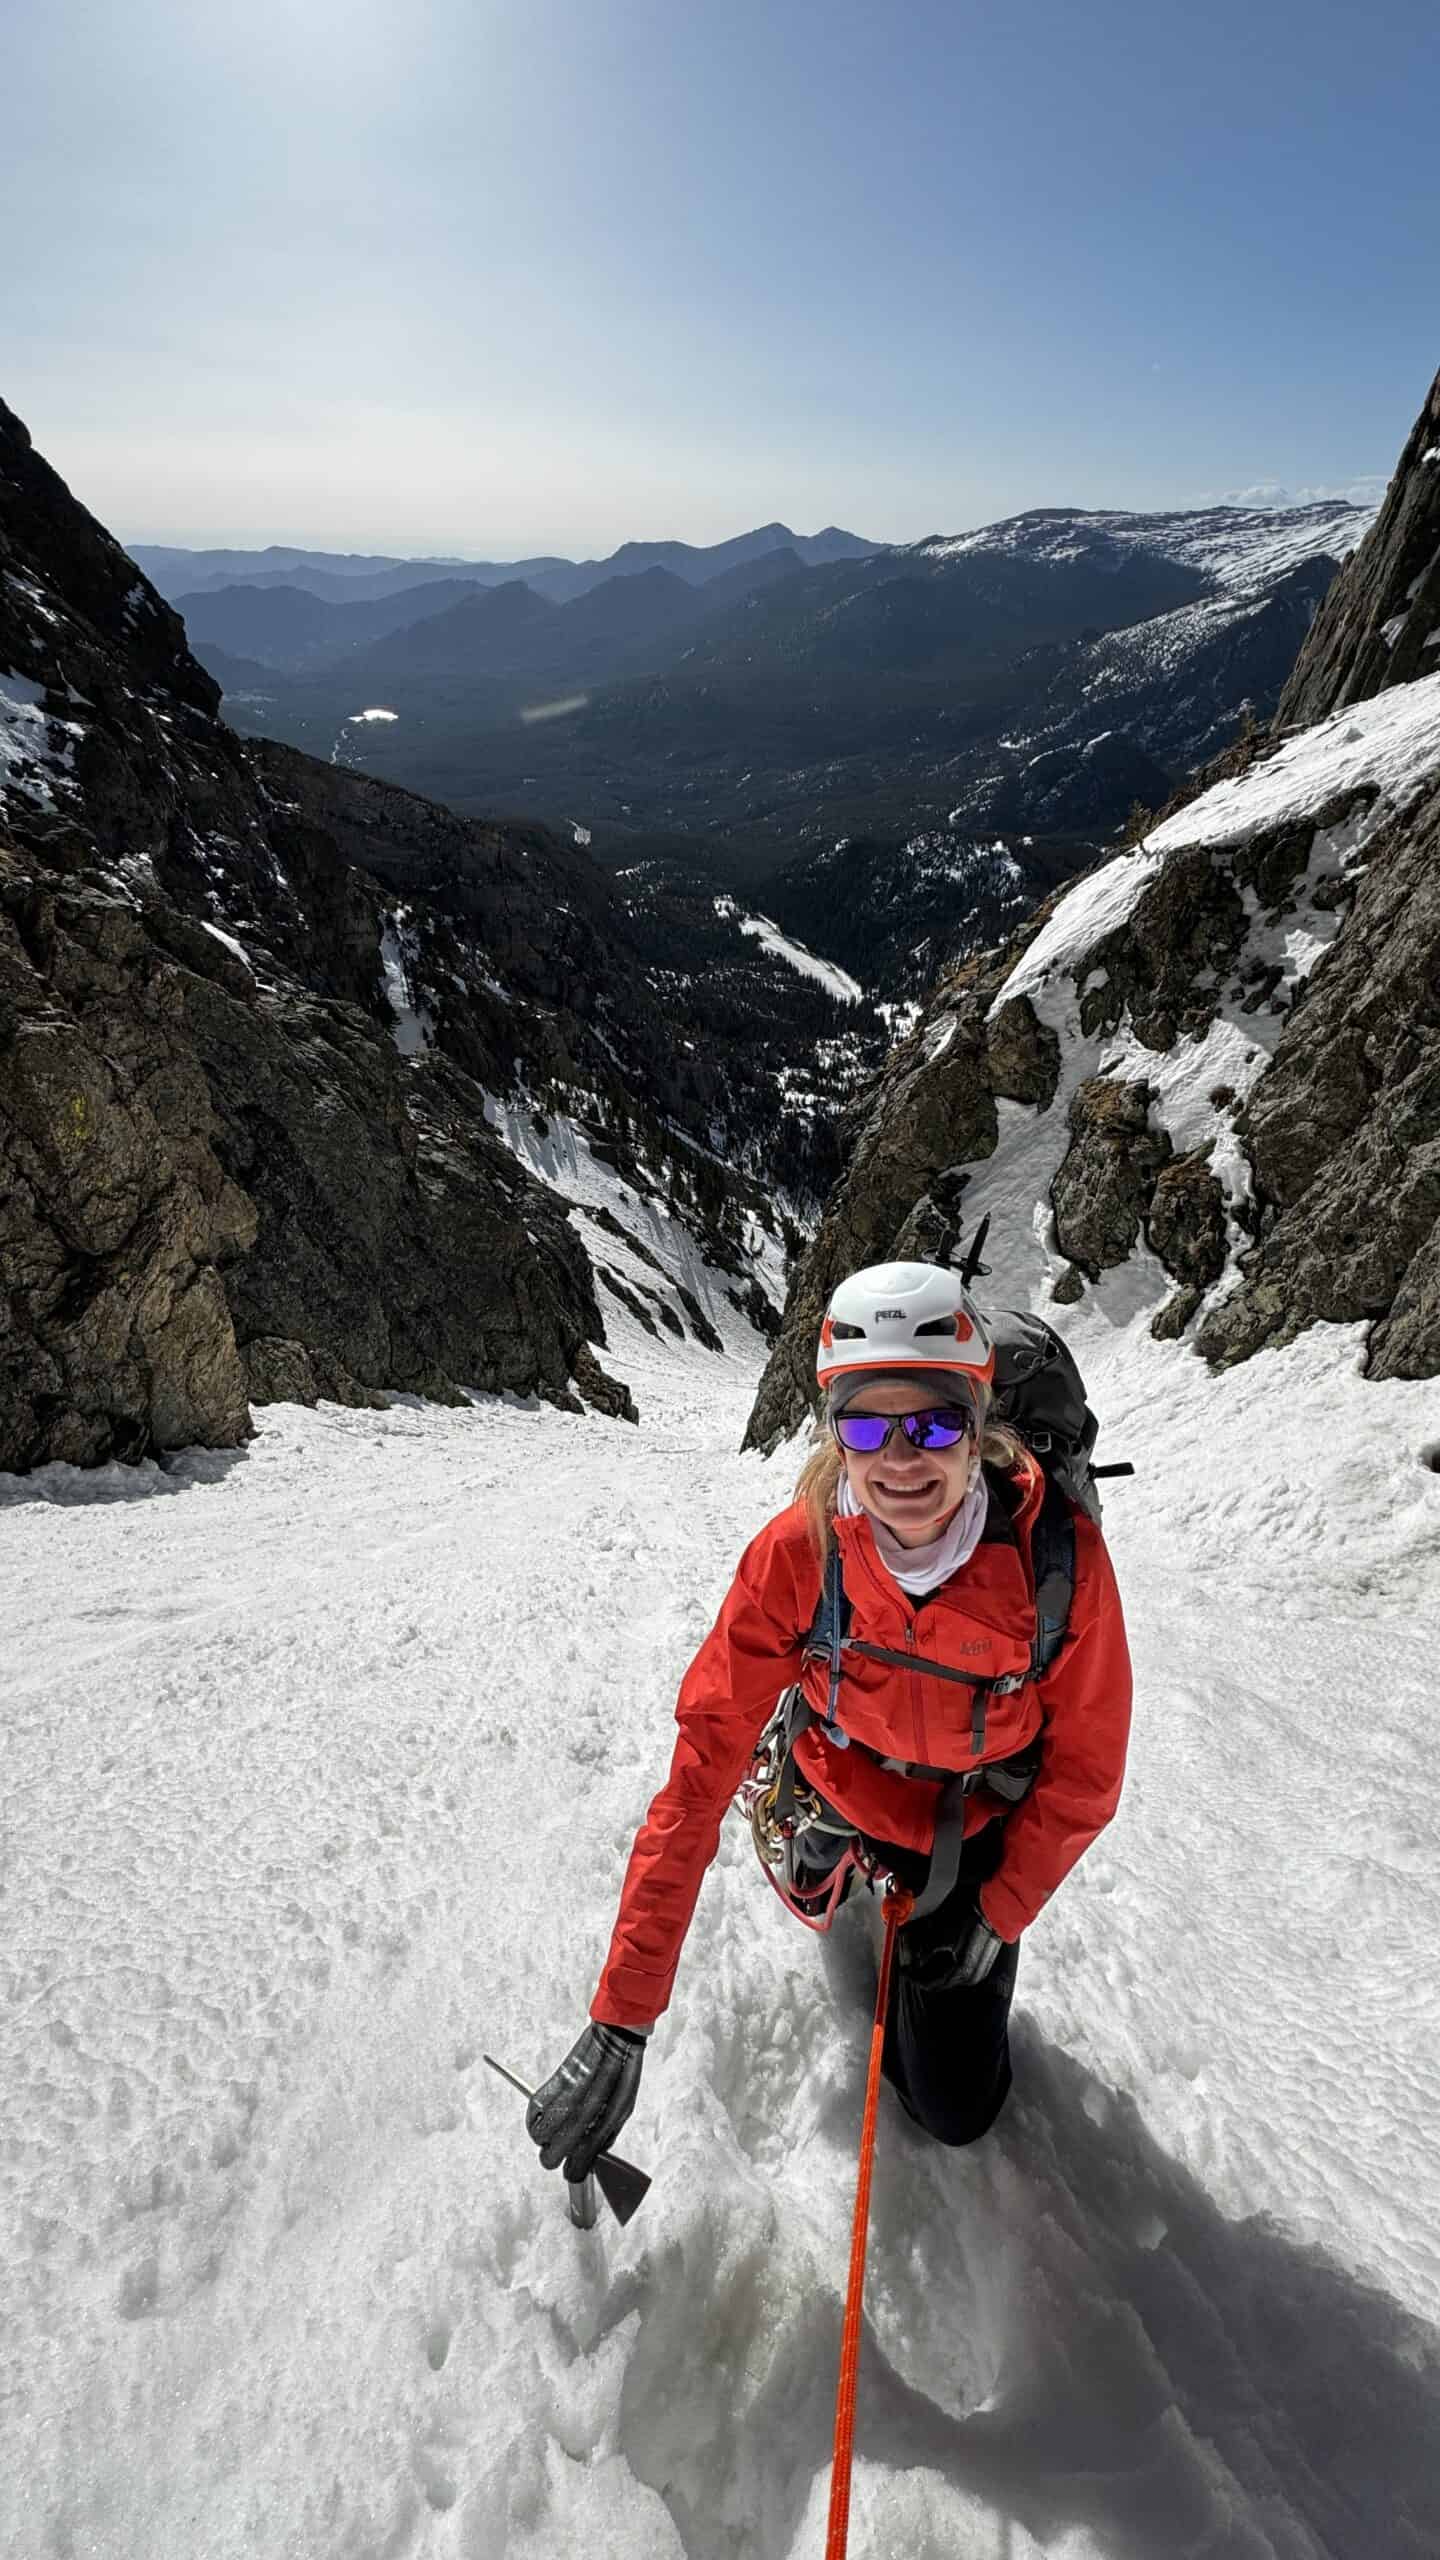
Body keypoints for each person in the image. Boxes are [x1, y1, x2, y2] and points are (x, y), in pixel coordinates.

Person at [526, 1260, 1132, 2189]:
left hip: (971, 1829)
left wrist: (994, 1911)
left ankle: (880, 1883)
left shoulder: (1058, 1567)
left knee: (955, 2113)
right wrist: (623, 2015)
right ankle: (818, 1833)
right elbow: (695, 1783)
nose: (901, 1460)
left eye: (933, 1421)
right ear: (834, 1440)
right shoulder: (798, 1557)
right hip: (836, 1777)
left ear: (979, 1431)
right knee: (821, 1887)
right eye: (865, 1424)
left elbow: (1085, 1773)